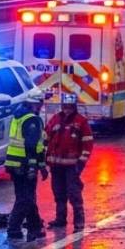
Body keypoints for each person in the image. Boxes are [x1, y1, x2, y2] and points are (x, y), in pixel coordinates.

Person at [45, 95, 93, 231]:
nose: (67, 110)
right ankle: (60, 219)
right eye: (65, 107)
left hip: (72, 166)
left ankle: (79, 221)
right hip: (56, 165)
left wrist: (81, 163)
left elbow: (87, 144)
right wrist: (45, 159)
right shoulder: (55, 119)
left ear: (74, 107)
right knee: (59, 193)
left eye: (69, 107)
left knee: (74, 193)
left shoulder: (81, 122)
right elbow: (46, 138)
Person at [5, 91, 47, 242]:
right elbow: (31, 146)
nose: (41, 107)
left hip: (14, 163)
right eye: (40, 104)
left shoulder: (18, 116)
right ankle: (13, 228)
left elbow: (38, 147)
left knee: (26, 196)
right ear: (34, 103)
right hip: (24, 164)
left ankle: (35, 227)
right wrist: (32, 166)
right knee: (26, 198)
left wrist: (41, 166)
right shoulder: (32, 120)